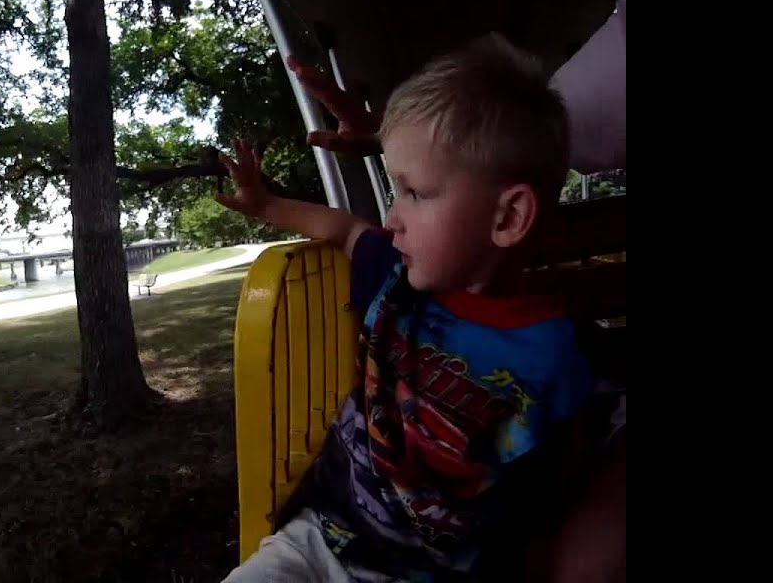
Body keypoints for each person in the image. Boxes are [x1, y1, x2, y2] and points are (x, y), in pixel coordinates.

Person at [217, 33, 595, 582]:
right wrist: (265, 204)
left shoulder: (554, 360)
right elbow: (343, 227)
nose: (392, 218)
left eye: (414, 193)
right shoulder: (395, 280)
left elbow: (544, 508)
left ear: (508, 218)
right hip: (319, 542)